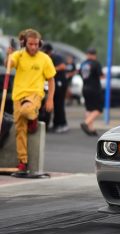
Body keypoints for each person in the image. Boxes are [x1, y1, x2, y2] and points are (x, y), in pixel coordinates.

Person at [5, 28, 55, 173]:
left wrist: (50, 99)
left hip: (35, 95)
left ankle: (33, 118)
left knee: (26, 110)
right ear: (25, 43)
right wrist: (8, 57)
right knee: (20, 130)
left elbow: (51, 80)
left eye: (36, 44)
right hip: (18, 96)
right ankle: (23, 161)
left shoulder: (45, 59)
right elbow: (8, 64)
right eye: (30, 44)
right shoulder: (19, 55)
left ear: (39, 44)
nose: (33, 47)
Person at [41, 43, 69, 133]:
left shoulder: (55, 57)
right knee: (55, 104)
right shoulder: (46, 58)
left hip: (60, 83)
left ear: (49, 51)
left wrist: (51, 69)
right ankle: (56, 123)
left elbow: (63, 66)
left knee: (59, 104)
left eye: (46, 52)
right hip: (54, 83)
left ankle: (62, 124)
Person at [79, 48, 103, 136]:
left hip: (85, 88)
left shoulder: (83, 64)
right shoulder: (96, 63)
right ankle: (86, 123)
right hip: (94, 88)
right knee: (98, 109)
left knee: (89, 108)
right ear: (95, 55)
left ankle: (91, 129)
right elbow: (101, 76)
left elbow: (80, 74)